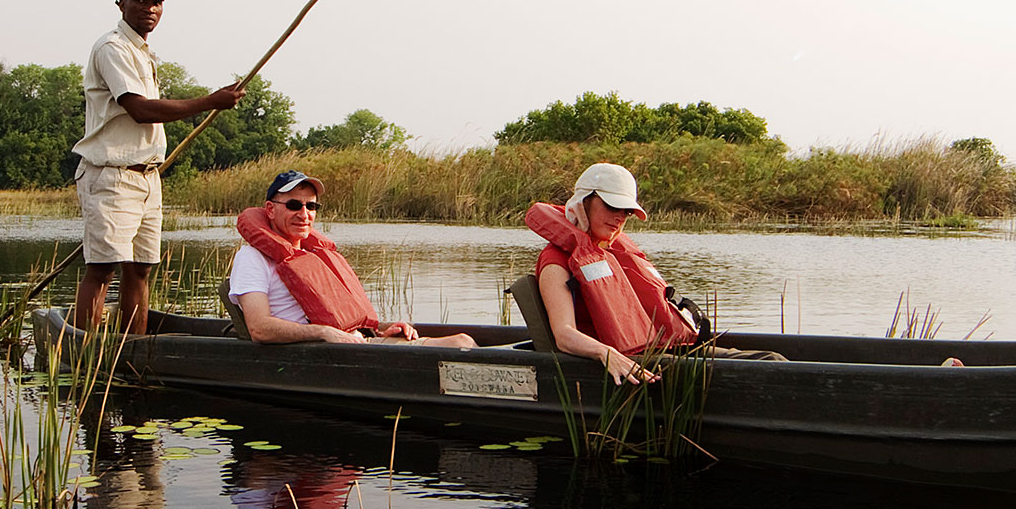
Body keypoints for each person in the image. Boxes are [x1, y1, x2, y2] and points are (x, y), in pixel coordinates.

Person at [71, 0, 245, 333]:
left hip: (147, 177)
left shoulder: (143, 54)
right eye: (140, 0)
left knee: (140, 268)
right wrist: (211, 101)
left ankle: (131, 349)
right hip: (112, 175)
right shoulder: (113, 48)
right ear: (122, 5)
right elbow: (141, 109)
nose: (149, 8)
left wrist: (212, 101)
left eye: (156, 2)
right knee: (102, 268)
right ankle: (86, 352)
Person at [527, 162, 785, 382]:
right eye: (611, 207)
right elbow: (564, 335)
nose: (620, 218)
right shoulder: (555, 261)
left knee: (772, 359)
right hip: (629, 364)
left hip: (663, 350)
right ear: (583, 205)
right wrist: (605, 354)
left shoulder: (614, 253)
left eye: (626, 212)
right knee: (766, 368)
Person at [228, 171, 477, 347]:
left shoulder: (314, 255)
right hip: (320, 351)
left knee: (463, 340)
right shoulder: (252, 258)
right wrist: (324, 333)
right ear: (270, 210)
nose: (304, 214)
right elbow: (259, 329)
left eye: (311, 206)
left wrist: (380, 329)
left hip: (355, 342)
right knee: (459, 343)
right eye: (294, 205)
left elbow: (335, 317)